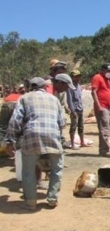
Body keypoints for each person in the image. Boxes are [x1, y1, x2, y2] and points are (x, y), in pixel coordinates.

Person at [5, 76, 73, 210]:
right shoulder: (54, 99)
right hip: (52, 136)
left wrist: (10, 141)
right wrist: (61, 141)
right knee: (57, 169)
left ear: (30, 87)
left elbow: (15, 120)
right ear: (45, 87)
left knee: (28, 171)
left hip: (31, 136)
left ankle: (31, 202)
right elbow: (62, 123)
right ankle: (52, 199)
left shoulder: (24, 98)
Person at [91, 63, 110, 156]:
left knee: (107, 128)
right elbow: (93, 92)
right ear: (103, 70)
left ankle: (104, 149)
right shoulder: (97, 77)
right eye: (109, 71)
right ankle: (104, 150)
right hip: (102, 106)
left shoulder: (107, 80)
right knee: (104, 129)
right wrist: (98, 106)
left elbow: (109, 93)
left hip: (108, 107)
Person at [66, 70, 86, 150]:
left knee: (81, 127)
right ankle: (72, 143)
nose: (78, 78)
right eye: (76, 76)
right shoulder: (70, 87)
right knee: (73, 126)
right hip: (75, 110)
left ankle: (82, 142)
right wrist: (73, 111)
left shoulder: (79, 86)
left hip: (80, 109)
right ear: (72, 77)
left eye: (79, 76)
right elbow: (69, 99)